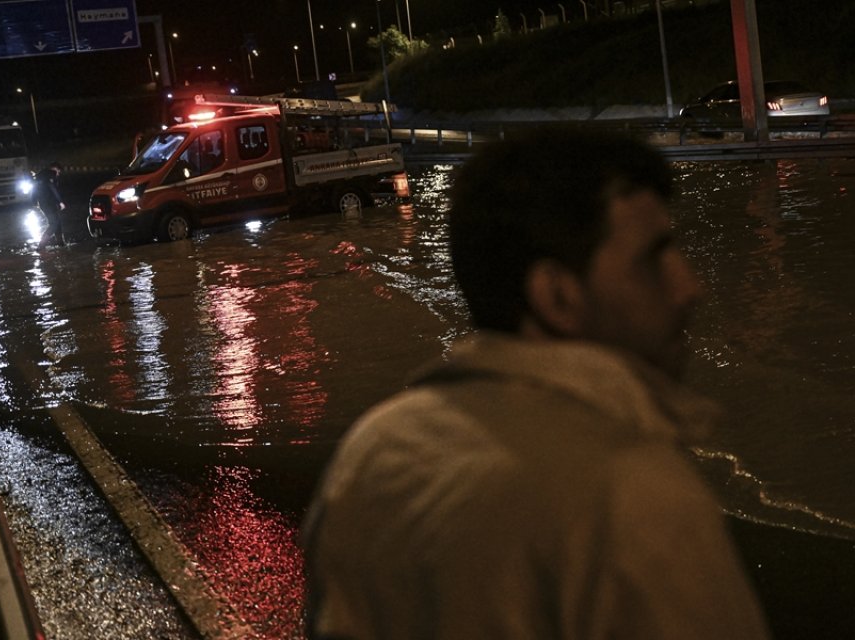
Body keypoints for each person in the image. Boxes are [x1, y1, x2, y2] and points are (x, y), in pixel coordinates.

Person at [303, 129, 770, 639]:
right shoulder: (636, 497)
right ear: (557, 298)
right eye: (654, 258)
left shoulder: (370, 451)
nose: (690, 288)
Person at [35, 161, 66, 246]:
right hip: (49, 203)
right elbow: (53, 189)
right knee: (54, 223)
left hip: (43, 203)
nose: (58, 174)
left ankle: (61, 243)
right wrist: (60, 201)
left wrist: (34, 201)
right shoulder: (51, 174)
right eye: (58, 171)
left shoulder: (40, 175)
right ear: (55, 169)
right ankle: (41, 244)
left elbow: (35, 189)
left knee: (57, 222)